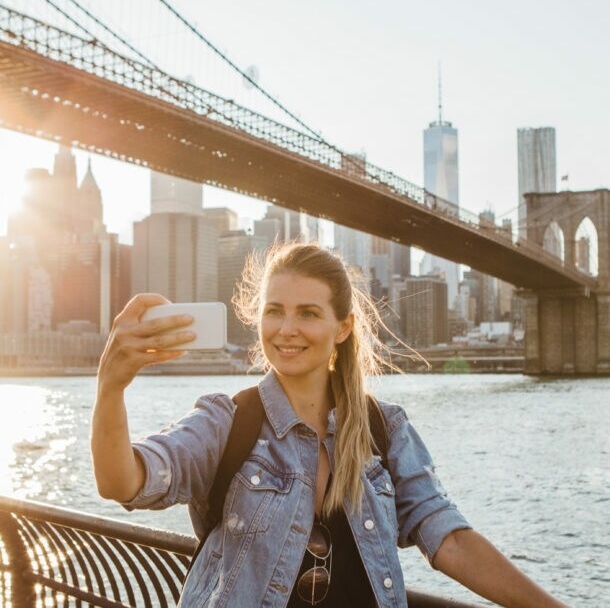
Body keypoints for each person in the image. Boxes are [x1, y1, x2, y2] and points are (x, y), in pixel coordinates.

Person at [91, 243, 569, 607]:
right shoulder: (227, 422)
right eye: (274, 311)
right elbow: (123, 481)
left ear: (342, 328)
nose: (287, 329)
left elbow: (449, 539)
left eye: (308, 313)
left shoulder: (386, 430)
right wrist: (110, 389)